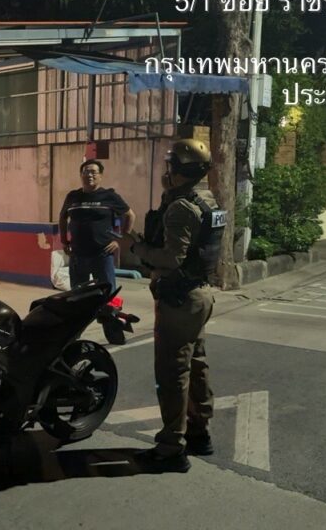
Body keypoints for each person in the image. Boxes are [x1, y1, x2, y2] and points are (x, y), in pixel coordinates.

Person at [129, 139, 225, 473]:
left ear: (180, 169)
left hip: (180, 300)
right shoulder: (209, 200)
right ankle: (199, 432)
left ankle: (171, 448)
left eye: (171, 166)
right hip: (200, 294)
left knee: (172, 372)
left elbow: (172, 258)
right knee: (196, 363)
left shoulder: (181, 207)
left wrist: (138, 248)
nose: (166, 171)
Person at [59, 159, 134, 293]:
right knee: (78, 295)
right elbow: (62, 218)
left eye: (93, 172)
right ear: (81, 175)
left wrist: (119, 240)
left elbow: (130, 215)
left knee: (106, 294)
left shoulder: (110, 196)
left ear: (100, 176)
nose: (89, 175)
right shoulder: (73, 196)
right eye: (86, 172)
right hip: (77, 254)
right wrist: (64, 241)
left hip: (102, 254)